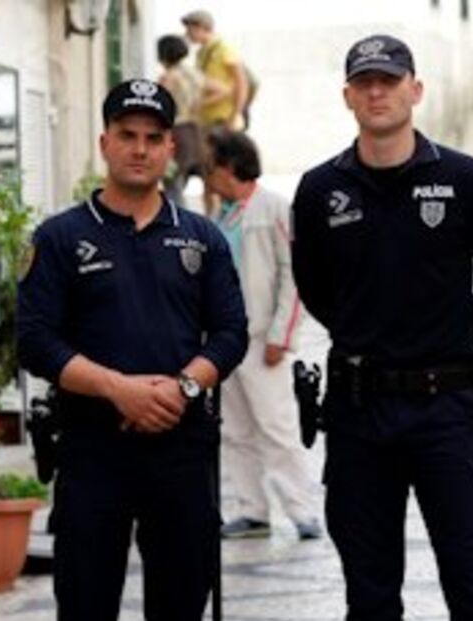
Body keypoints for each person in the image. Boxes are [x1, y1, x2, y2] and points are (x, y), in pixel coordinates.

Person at [291, 34, 473, 620]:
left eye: (389, 81)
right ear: (347, 95)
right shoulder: (320, 191)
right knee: (368, 591)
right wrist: (366, 329)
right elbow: (314, 286)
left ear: (414, 90)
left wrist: (457, 330)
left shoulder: (467, 178)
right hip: (358, 411)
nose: (377, 92)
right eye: (364, 82)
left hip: (447, 406)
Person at [17, 79, 248, 620]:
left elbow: (231, 332)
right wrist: (117, 390)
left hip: (182, 449)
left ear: (171, 148)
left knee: (181, 604)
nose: (139, 148)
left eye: (153, 137)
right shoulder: (59, 238)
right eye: (127, 135)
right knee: (85, 605)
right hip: (93, 451)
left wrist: (183, 385)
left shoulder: (201, 237)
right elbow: (35, 340)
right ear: (105, 143)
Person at [203, 129, 323, 541]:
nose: (208, 173)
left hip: (261, 342)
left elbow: (296, 275)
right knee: (235, 431)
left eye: (212, 164)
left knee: (277, 428)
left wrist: (281, 334)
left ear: (230, 165)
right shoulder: (221, 216)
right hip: (226, 344)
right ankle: (252, 509)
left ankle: (301, 510)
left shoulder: (273, 208)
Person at [156, 33, 229, 207]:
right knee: (208, 183)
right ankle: (213, 222)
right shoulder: (193, 75)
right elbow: (223, 89)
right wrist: (199, 104)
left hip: (176, 131)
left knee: (173, 183)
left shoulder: (167, 78)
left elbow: (160, 106)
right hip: (195, 130)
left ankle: (176, 223)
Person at [182, 9, 248, 132]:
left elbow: (242, 84)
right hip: (206, 120)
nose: (187, 34)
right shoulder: (201, 53)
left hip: (223, 120)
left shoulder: (224, 49)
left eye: (189, 29)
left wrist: (235, 116)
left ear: (201, 28)